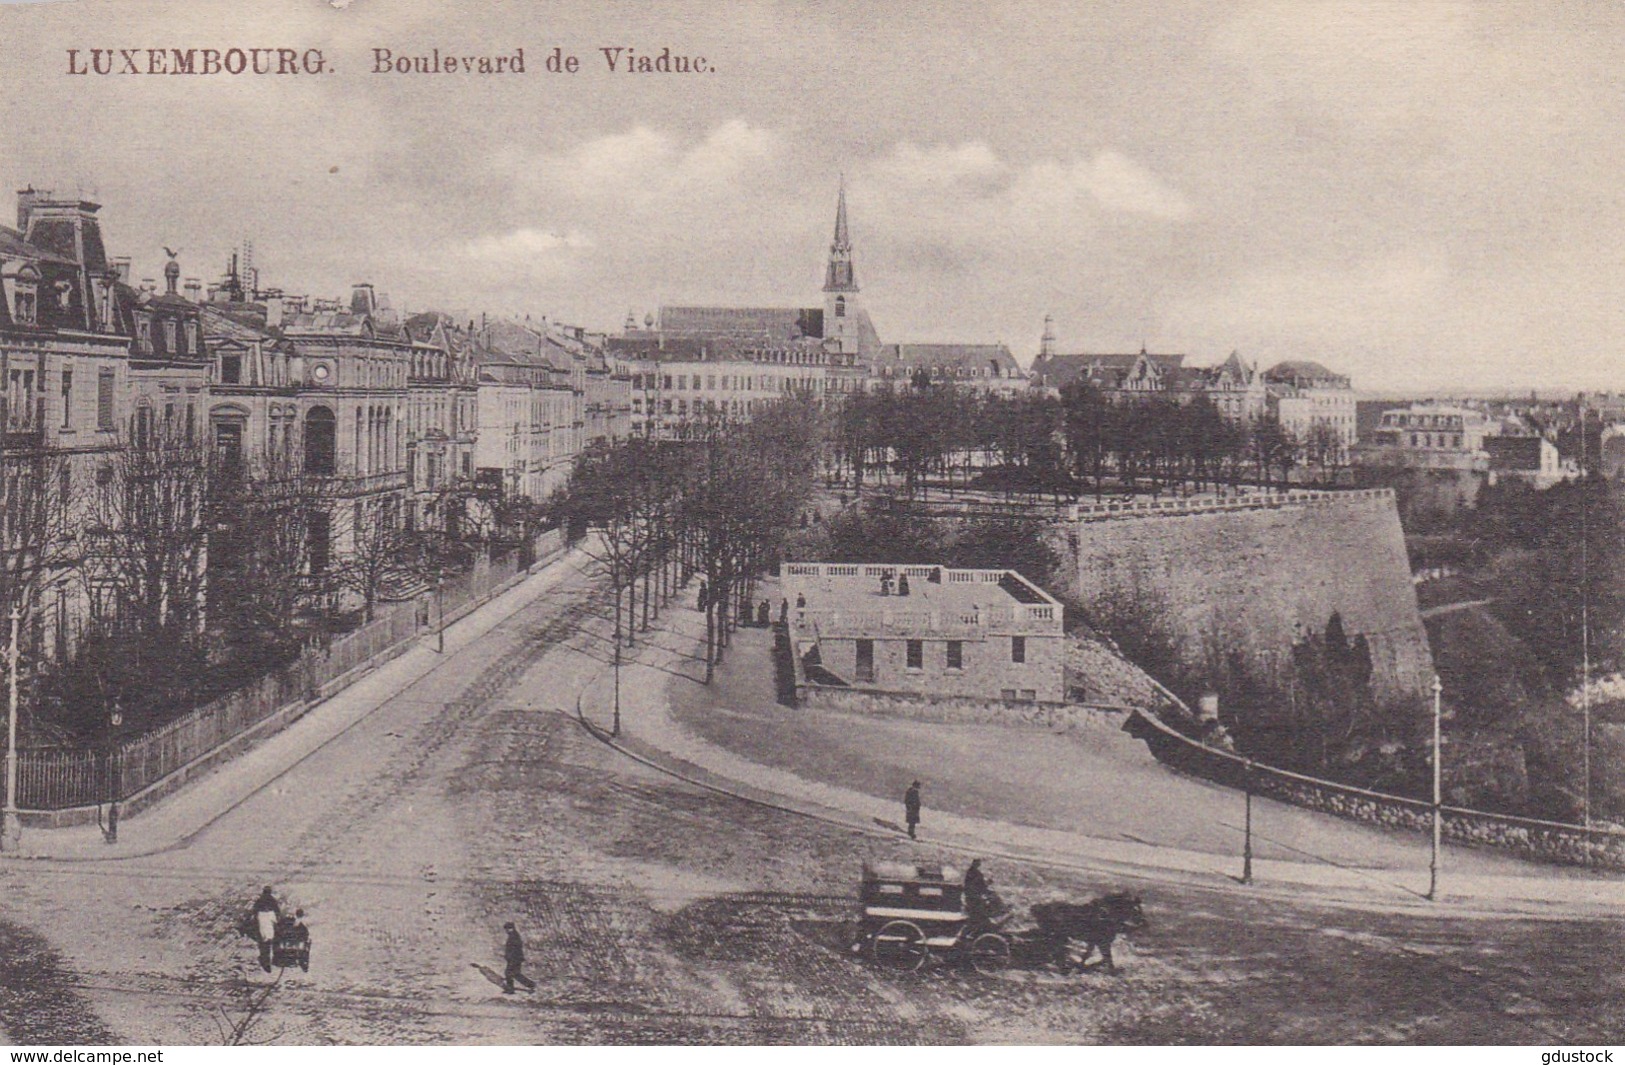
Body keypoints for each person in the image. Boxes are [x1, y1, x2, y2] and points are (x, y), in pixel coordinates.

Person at [252, 886, 281, 973]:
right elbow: (277, 912)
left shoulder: (259, 900)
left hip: (262, 919)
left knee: (264, 942)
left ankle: (266, 962)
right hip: (269, 919)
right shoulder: (272, 900)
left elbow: (255, 911)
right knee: (270, 939)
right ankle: (271, 961)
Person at [503, 922, 535, 994]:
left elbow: (514, 949)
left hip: (514, 958)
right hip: (515, 958)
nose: (507, 931)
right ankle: (530, 985)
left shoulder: (513, 936)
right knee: (515, 974)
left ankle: (510, 989)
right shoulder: (513, 935)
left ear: (511, 928)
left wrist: (509, 956)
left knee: (509, 973)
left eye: (508, 929)